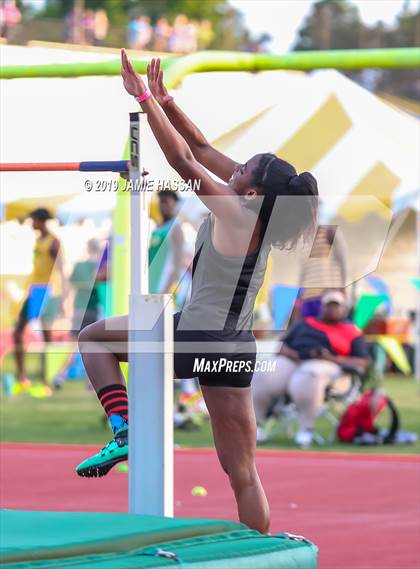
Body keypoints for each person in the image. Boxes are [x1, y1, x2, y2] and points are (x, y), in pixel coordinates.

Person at [75, 53, 318, 534]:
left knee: (93, 338)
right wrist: (168, 102)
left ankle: (123, 429)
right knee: (242, 472)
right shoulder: (260, 212)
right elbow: (202, 147)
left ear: (251, 191)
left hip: (198, 336)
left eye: (243, 167)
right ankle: (263, 556)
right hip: (235, 349)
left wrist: (144, 101)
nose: (236, 166)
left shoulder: (236, 212)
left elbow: (184, 161)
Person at [252, 291, 370, 447]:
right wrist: (291, 353)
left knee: (310, 376)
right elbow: (281, 346)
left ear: (344, 309)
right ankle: (255, 426)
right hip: (294, 360)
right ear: (322, 307)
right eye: (329, 306)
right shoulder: (305, 323)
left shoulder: (351, 331)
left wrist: (331, 358)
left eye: (336, 306)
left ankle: (306, 428)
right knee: (264, 373)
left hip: (328, 366)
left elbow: (362, 361)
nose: (332, 310)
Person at [13, 208, 66, 393]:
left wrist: (64, 297)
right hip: (34, 290)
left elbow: (60, 269)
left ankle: (47, 381)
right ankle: (22, 377)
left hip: (49, 291)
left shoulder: (54, 243)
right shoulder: (38, 240)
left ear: (42, 221)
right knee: (17, 331)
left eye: (33, 220)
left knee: (47, 336)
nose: (31, 224)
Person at [298, 224, 348, 318]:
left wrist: (344, 289)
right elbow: (303, 270)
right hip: (308, 297)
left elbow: (343, 262)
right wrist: (299, 294)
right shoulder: (303, 236)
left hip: (326, 295)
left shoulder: (330, 231)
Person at [149, 190, 184, 294]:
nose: (163, 205)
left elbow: (178, 263)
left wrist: (166, 291)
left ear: (174, 204)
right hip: (151, 283)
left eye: (166, 202)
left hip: (163, 286)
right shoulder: (157, 228)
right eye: (161, 202)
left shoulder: (175, 227)